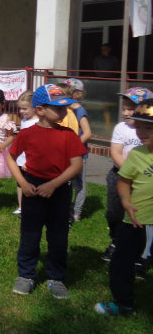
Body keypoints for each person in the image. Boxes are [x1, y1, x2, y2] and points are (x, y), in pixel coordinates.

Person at [7, 84, 87, 299]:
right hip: (32, 189)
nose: (63, 112)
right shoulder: (27, 134)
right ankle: (26, 275)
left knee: (58, 236)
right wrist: (23, 184)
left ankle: (56, 278)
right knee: (30, 235)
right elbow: (11, 158)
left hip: (59, 190)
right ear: (41, 110)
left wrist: (53, 185)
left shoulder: (69, 135)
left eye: (65, 108)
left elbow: (76, 165)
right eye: (58, 108)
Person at [94, 98, 153, 316]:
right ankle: (124, 304)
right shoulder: (137, 154)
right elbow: (124, 181)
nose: (142, 132)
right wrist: (126, 201)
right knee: (121, 263)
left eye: (149, 128)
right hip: (135, 220)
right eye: (139, 126)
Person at [102, 87, 153, 262]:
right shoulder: (121, 128)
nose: (125, 113)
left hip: (144, 178)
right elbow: (116, 152)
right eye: (124, 108)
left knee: (141, 213)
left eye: (130, 109)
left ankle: (142, 251)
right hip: (120, 174)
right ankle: (116, 241)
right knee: (115, 212)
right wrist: (130, 172)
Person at [61, 78, 92, 222]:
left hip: (78, 154)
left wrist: (73, 147)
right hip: (66, 153)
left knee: (79, 184)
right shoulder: (65, 109)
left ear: (78, 93)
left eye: (70, 91)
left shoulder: (79, 110)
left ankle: (76, 212)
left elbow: (87, 133)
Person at [12, 90, 38, 215]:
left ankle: (31, 208)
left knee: (31, 184)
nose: (22, 111)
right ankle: (21, 206)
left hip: (30, 160)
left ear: (35, 107)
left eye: (25, 109)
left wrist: (28, 161)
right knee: (20, 183)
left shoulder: (37, 123)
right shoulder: (24, 121)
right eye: (20, 108)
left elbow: (36, 145)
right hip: (21, 158)